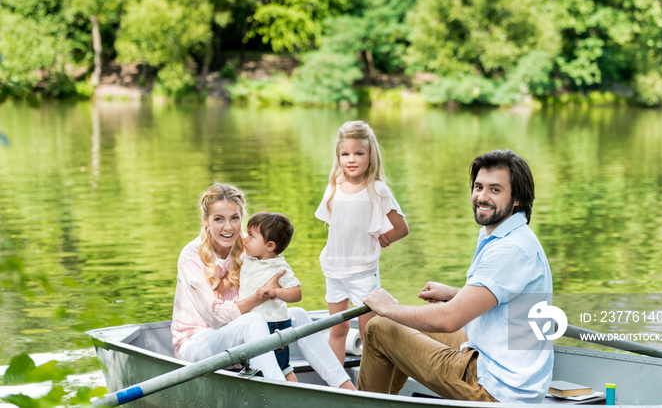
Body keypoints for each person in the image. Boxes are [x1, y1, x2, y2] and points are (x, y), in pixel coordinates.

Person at [358, 149, 553, 403]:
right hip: (505, 369)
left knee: (380, 328)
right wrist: (454, 294)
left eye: (495, 190)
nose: (482, 197)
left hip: (495, 390)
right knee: (407, 323)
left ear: (517, 199)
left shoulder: (510, 249)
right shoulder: (504, 233)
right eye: (478, 187)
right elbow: (504, 299)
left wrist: (387, 308)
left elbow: (450, 319)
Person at [171, 183, 354, 389]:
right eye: (218, 219)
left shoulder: (248, 246)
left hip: (239, 332)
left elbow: (276, 268)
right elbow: (216, 318)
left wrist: (277, 291)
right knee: (254, 320)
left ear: (242, 217)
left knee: (299, 316)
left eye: (234, 218)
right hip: (196, 344)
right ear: (206, 220)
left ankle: (346, 388)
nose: (228, 227)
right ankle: (279, 390)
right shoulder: (191, 255)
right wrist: (262, 295)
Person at [315, 120, 409, 363]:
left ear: (371, 155)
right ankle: (337, 384)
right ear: (338, 156)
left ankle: (367, 389)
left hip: (363, 273)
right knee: (338, 329)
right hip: (334, 271)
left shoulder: (377, 190)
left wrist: (384, 238)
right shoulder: (334, 188)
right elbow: (339, 228)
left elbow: (401, 228)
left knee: (369, 334)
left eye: (359, 153)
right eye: (345, 154)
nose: (351, 159)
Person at [217, 211, 301, 382]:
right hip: (252, 326)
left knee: (283, 368)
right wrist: (218, 288)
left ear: (270, 246)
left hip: (273, 324)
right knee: (258, 366)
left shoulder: (279, 267)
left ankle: (294, 398)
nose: (245, 238)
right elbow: (232, 275)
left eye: (251, 236)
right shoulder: (248, 258)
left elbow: (296, 293)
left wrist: (276, 292)